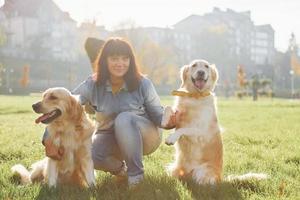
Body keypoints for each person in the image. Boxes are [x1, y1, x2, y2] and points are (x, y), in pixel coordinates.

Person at [42, 37, 175, 187]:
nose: (120, 63)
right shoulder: (92, 84)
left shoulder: (143, 83)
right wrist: (48, 139)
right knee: (89, 153)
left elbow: (157, 115)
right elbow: (67, 105)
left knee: (124, 119)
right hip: (109, 136)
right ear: (105, 60)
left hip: (146, 136)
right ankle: (121, 171)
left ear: (131, 61)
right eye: (114, 58)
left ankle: (136, 176)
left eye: (125, 58)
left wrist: (169, 122)